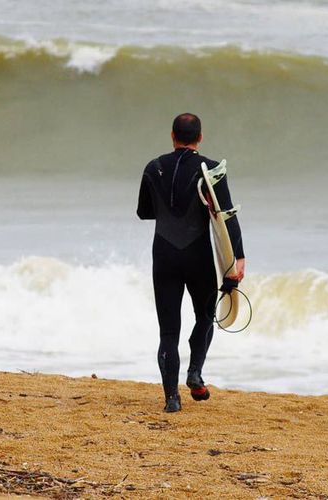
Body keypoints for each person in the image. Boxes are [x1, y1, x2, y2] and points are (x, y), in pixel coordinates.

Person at [137, 113, 245, 413]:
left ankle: (171, 398)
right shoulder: (210, 170)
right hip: (197, 256)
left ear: (172, 136)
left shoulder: (153, 167)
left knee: (168, 331)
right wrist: (238, 257)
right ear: (200, 137)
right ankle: (195, 372)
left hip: (164, 256)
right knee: (205, 315)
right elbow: (226, 216)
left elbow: (144, 212)